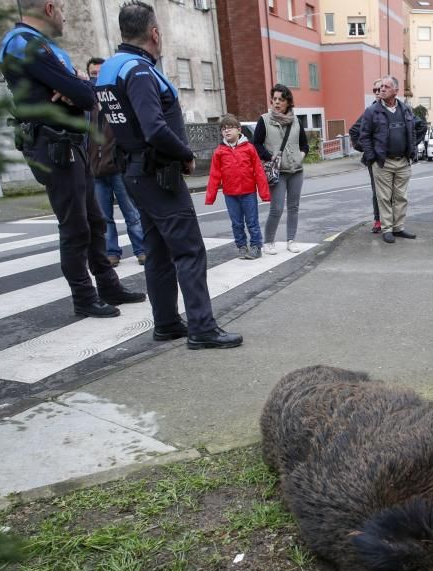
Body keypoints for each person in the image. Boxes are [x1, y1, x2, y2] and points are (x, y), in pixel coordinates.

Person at [94, 0, 242, 349]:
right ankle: (202, 328)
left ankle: (166, 323)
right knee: (190, 251)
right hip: (157, 173)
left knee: (158, 251)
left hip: (134, 171)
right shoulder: (139, 71)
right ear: (154, 32)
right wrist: (185, 153)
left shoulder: (109, 69)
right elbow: (155, 128)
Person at [0, 0, 145, 318]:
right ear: (49, 8)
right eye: (62, 9)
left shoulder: (38, 46)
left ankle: (107, 286)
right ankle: (84, 297)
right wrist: (76, 82)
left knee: (94, 221)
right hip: (54, 147)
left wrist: (76, 81)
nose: (65, 16)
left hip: (67, 146)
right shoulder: (25, 45)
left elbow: (84, 93)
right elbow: (84, 96)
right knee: (76, 226)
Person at [86, 56, 147, 267]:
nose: (96, 79)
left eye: (99, 75)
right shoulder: (87, 107)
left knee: (131, 212)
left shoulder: (116, 102)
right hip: (96, 170)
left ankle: (142, 249)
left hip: (118, 168)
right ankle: (112, 252)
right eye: (92, 75)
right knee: (104, 217)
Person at [357, 75, 427, 244]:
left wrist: (411, 148)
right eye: (381, 87)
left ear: (396, 91)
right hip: (383, 162)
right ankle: (387, 229)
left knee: (401, 197)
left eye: (386, 87)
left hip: (403, 161)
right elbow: (363, 136)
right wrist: (372, 157)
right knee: (384, 197)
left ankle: (398, 227)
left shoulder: (406, 110)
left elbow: (415, 129)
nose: (382, 89)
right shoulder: (372, 111)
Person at [204, 114, 270, 260]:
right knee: (236, 223)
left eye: (230, 128)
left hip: (248, 193)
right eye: (223, 129)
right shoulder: (219, 152)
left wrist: (264, 193)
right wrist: (210, 197)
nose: (226, 131)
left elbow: (259, 171)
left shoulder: (249, 148)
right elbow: (214, 175)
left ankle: (256, 246)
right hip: (230, 194)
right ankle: (242, 246)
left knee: (252, 221)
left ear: (239, 130)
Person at [252, 84, 308, 255]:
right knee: (276, 208)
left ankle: (291, 240)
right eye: (274, 99)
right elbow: (256, 144)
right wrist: (269, 158)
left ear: (288, 102)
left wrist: (301, 156)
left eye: (281, 100)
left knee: (294, 207)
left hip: (296, 171)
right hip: (277, 172)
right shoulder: (265, 120)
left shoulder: (296, 121)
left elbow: (305, 145)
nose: (276, 102)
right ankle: (268, 241)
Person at [348, 79, 383, 233]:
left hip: (394, 159)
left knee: (394, 193)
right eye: (374, 90)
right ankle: (378, 220)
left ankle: (393, 221)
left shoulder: (398, 110)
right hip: (375, 159)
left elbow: (418, 126)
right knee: (377, 192)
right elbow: (354, 131)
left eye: (380, 89)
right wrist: (369, 151)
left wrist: (409, 149)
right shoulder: (370, 111)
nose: (377, 92)